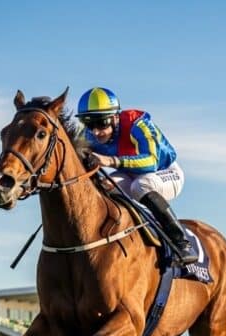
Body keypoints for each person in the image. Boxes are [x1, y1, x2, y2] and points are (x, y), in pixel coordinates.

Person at [77, 87, 198, 264]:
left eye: (101, 122)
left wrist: (111, 161)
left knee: (140, 185)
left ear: (114, 117)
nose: (95, 132)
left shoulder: (138, 125)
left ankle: (182, 243)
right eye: (89, 124)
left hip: (165, 172)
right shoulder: (87, 135)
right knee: (104, 186)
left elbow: (151, 162)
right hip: (131, 174)